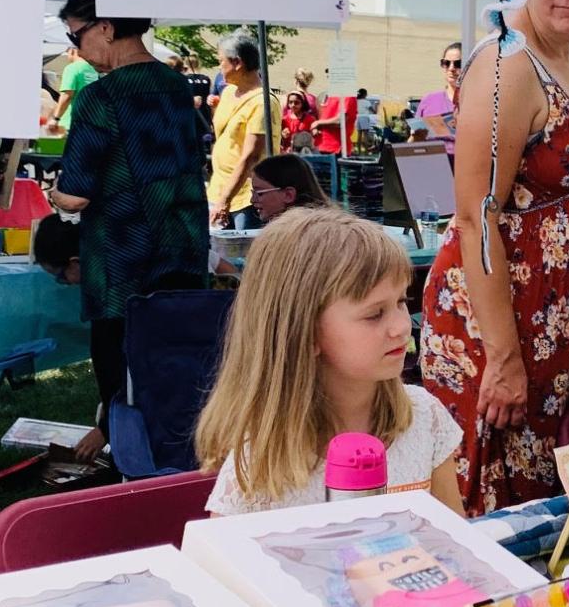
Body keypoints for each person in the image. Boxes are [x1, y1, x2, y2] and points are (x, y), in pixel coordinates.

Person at [420, 0, 569, 514]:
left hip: (560, 335)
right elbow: (475, 219)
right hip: (501, 333)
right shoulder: (508, 67)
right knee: (496, 512)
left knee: (550, 509)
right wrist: (503, 359)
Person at [197, 208, 462, 515]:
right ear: (305, 332)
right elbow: (226, 561)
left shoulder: (424, 417)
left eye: (401, 301)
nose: (402, 326)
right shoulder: (261, 460)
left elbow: (456, 541)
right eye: (374, 313)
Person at [48, 0, 211, 460]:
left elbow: (75, 195)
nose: (77, 51)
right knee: (178, 376)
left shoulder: (102, 97)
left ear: (105, 27)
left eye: (76, 38)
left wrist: (53, 193)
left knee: (123, 384)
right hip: (182, 253)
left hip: (122, 265)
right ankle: (179, 468)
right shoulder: (178, 86)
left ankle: (132, 473)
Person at [209, 33, 271, 230]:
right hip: (219, 189)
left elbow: (251, 155)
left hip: (245, 197)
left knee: (242, 256)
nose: (219, 67)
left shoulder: (262, 102)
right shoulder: (227, 92)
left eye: (221, 61)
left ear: (237, 63)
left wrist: (225, 200)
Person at [250, 153, 328, 224]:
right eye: (253, 192)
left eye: (259, 193)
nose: (252, 200)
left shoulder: (306, 232)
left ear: (288, 195)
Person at [417, 42, 462, 151]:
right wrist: (415, 136)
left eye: (458, 64)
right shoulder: (429, 101)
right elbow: (414, 145)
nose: (451, 68)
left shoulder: (480, 104)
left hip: (466, 166)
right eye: (446, 63)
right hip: (433, 165)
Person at [50, 41, 99, 134]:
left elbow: (67, 96)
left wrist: (55, 118)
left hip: (71, 123)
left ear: (72, 51)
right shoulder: (95, 69)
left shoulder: (72, 68)